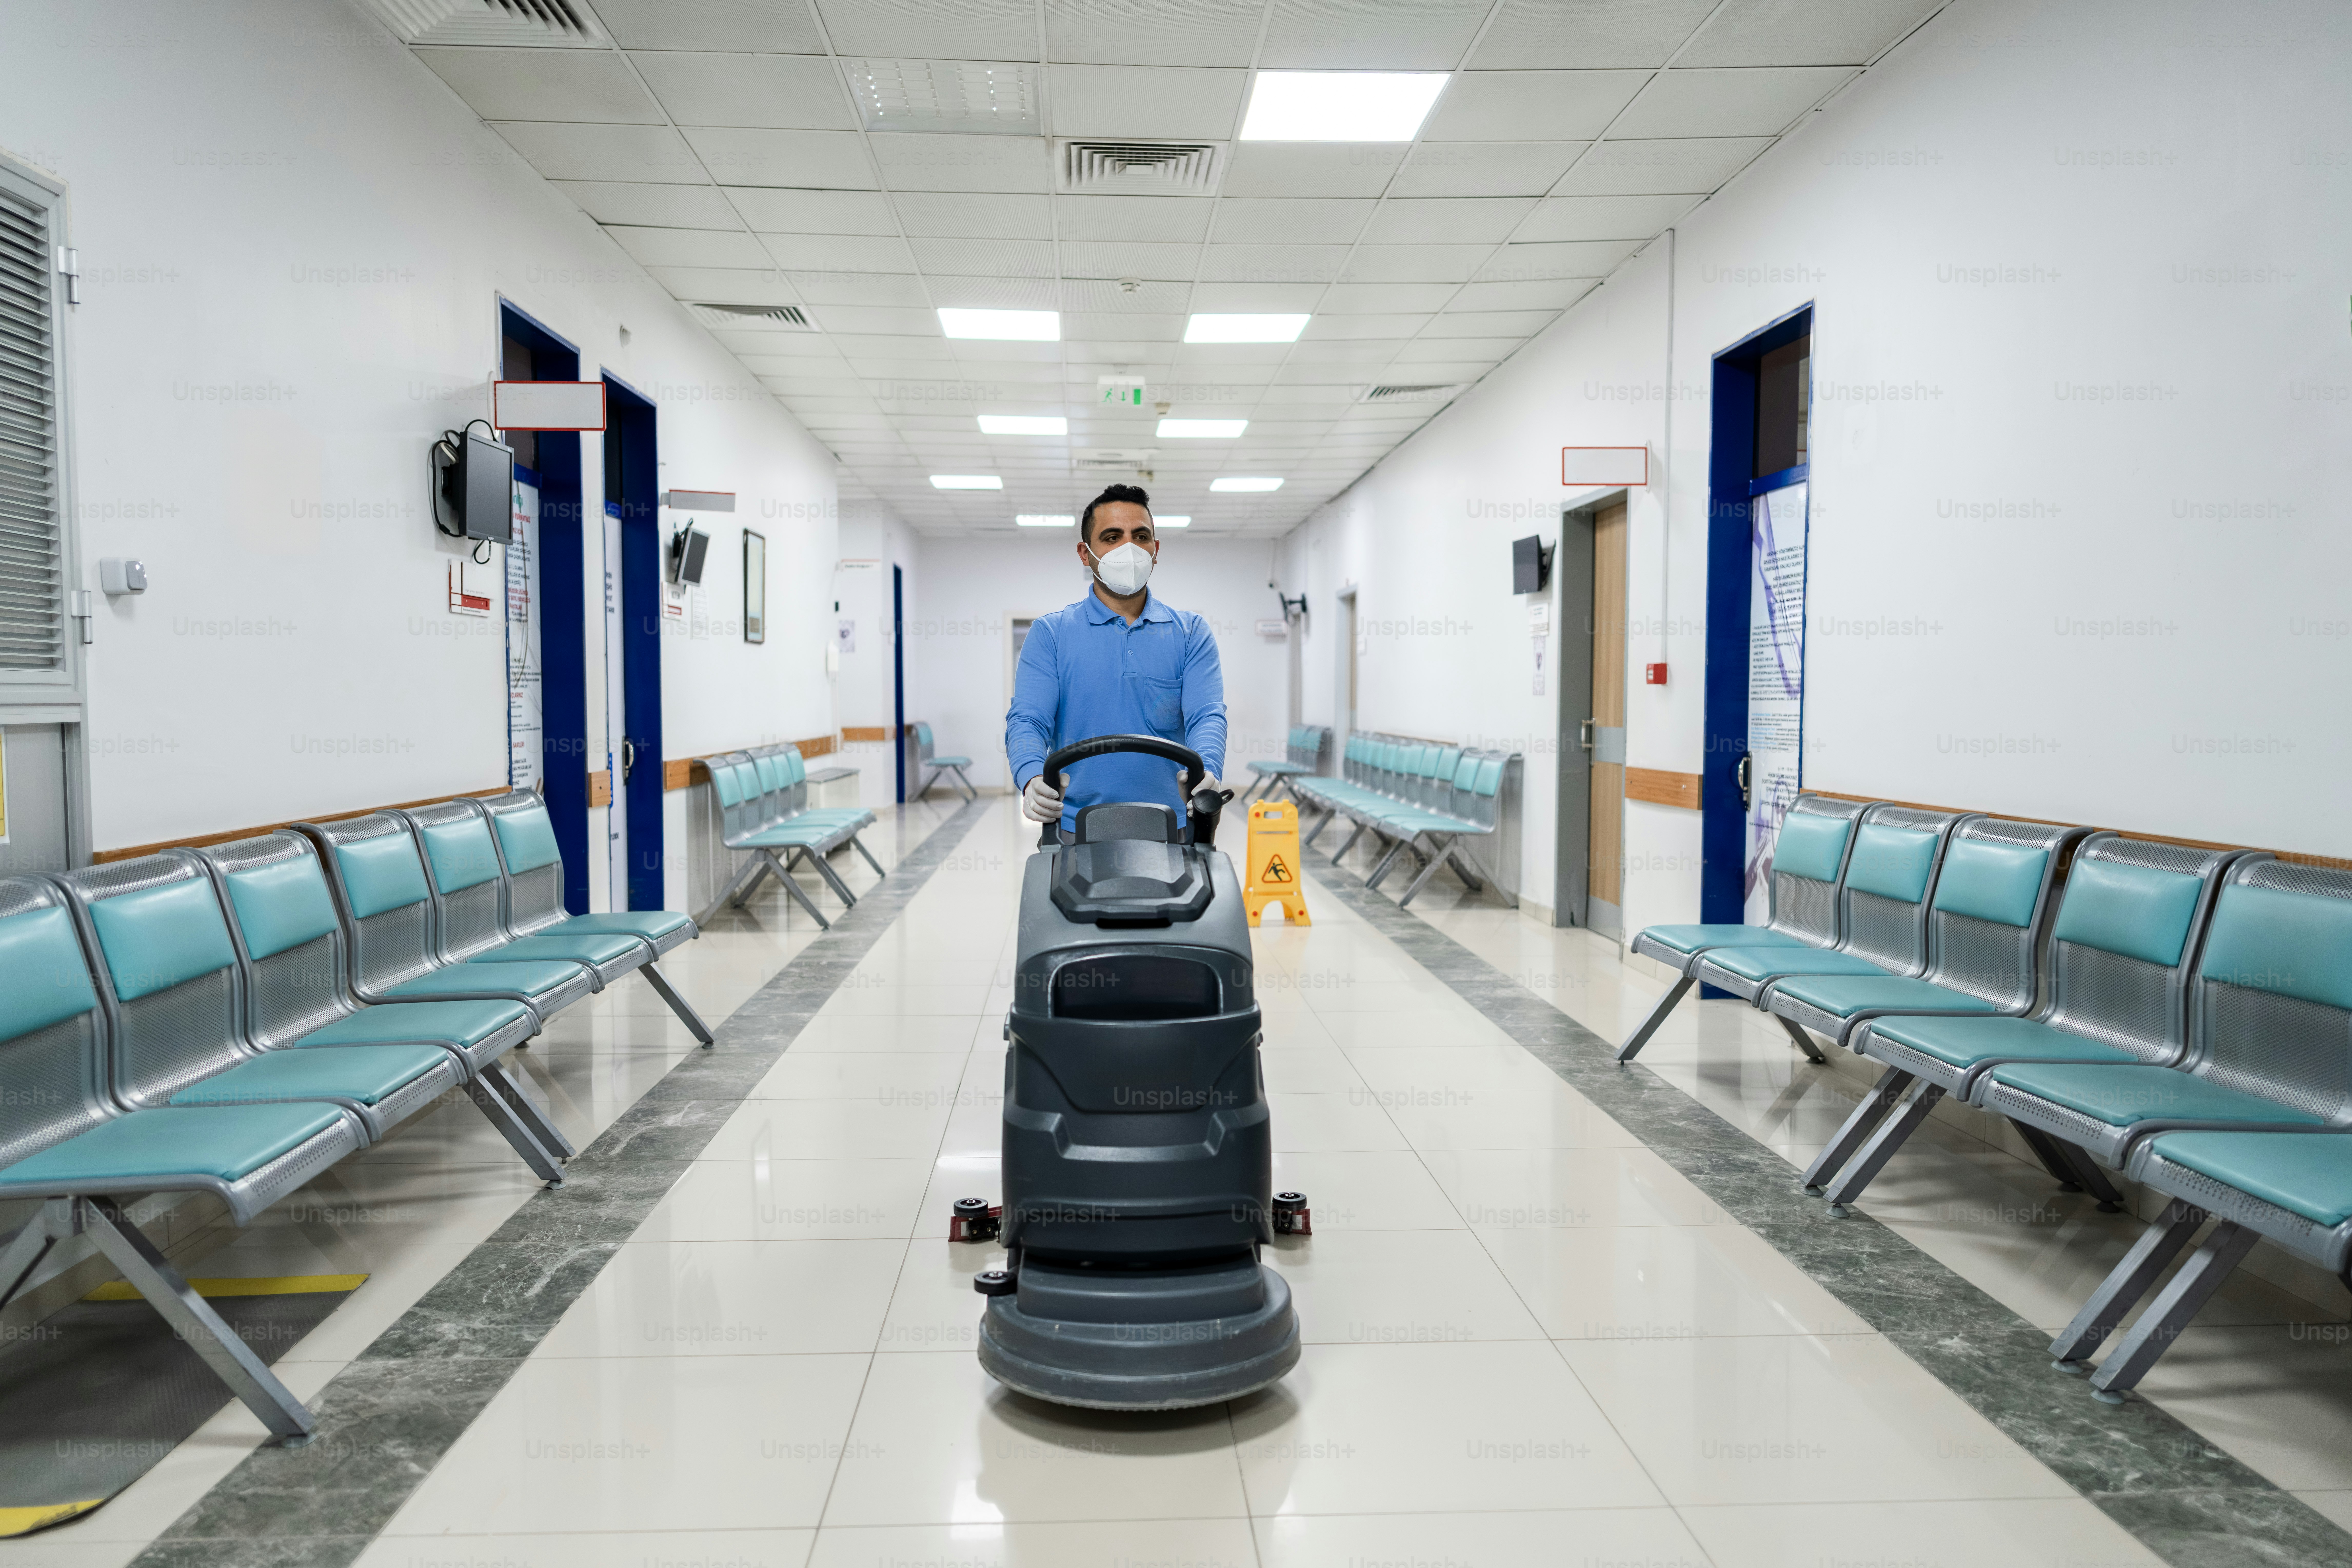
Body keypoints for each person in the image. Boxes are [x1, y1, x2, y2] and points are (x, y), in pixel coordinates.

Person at [1005, 484, 1227, 840]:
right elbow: (1028, 720)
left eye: (1141, 536)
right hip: (1077, 828)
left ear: (1156, 550)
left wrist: (1209, 765)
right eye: (1112, 537)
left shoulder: (1191, 633)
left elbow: (1207, 715)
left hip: (1174, 827)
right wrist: (1031, 776)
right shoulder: (1051, 634)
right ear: (1085, 552)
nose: (1129, 548)